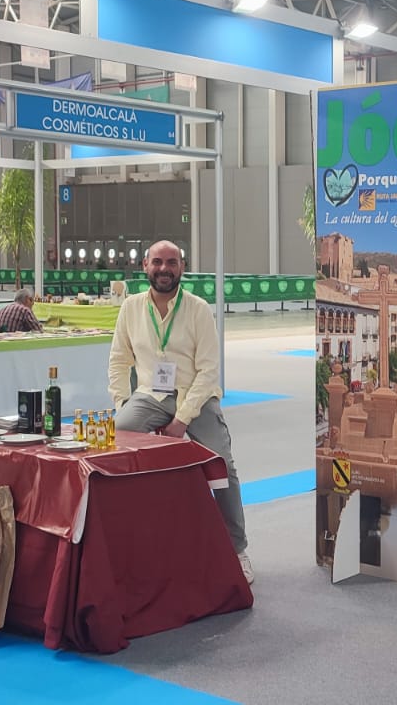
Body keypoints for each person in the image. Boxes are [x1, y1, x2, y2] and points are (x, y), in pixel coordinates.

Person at [108, 241, 252, 583]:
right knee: (114, 447)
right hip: (148, 396)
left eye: (171, 262)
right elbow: (118, 361)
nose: (164, 268)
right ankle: (127, 543)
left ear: (182, 267)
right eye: (157, 262)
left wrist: (182, 420)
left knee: (223, 464)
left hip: (196, 397)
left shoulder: (199, 309)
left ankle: (237, 549)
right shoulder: (129, 308)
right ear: (145, 265)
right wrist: (122, 405)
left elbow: (208, 371)